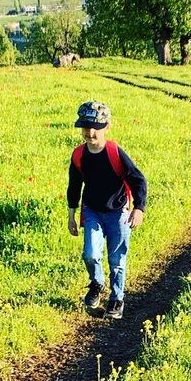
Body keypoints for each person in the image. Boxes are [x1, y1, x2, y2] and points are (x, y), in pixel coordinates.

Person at [67, 100, 147, 320]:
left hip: (118, 212)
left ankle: (116, 298)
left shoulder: (114, 152)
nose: (90, 133)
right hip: (92, 210)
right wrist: (71, 215)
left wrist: (139, 208)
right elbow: (74, 185)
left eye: (96, 128)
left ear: (106, 128)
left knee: (116, 260)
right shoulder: (78, 155)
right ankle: (97, 284)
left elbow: (138, 180)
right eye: (86, 127)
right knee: (90, 254)